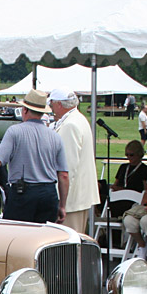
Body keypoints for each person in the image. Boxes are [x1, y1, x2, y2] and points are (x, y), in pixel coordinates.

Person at [0, 89, 68, 224]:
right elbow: (63, 175)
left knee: (15, 236)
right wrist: (62, 205)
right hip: (48, 193)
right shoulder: (55, 137)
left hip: (23, 192)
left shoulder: (15, 132)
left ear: (25, 110)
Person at [48, 89, 98, 234]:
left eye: (52, 104)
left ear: (59, 104)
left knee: (68, 241)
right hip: (78, 195)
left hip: (72, 198)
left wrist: (60, 199)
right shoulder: (78, 119)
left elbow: (68, 166)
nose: (51, 109)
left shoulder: (70, 125)